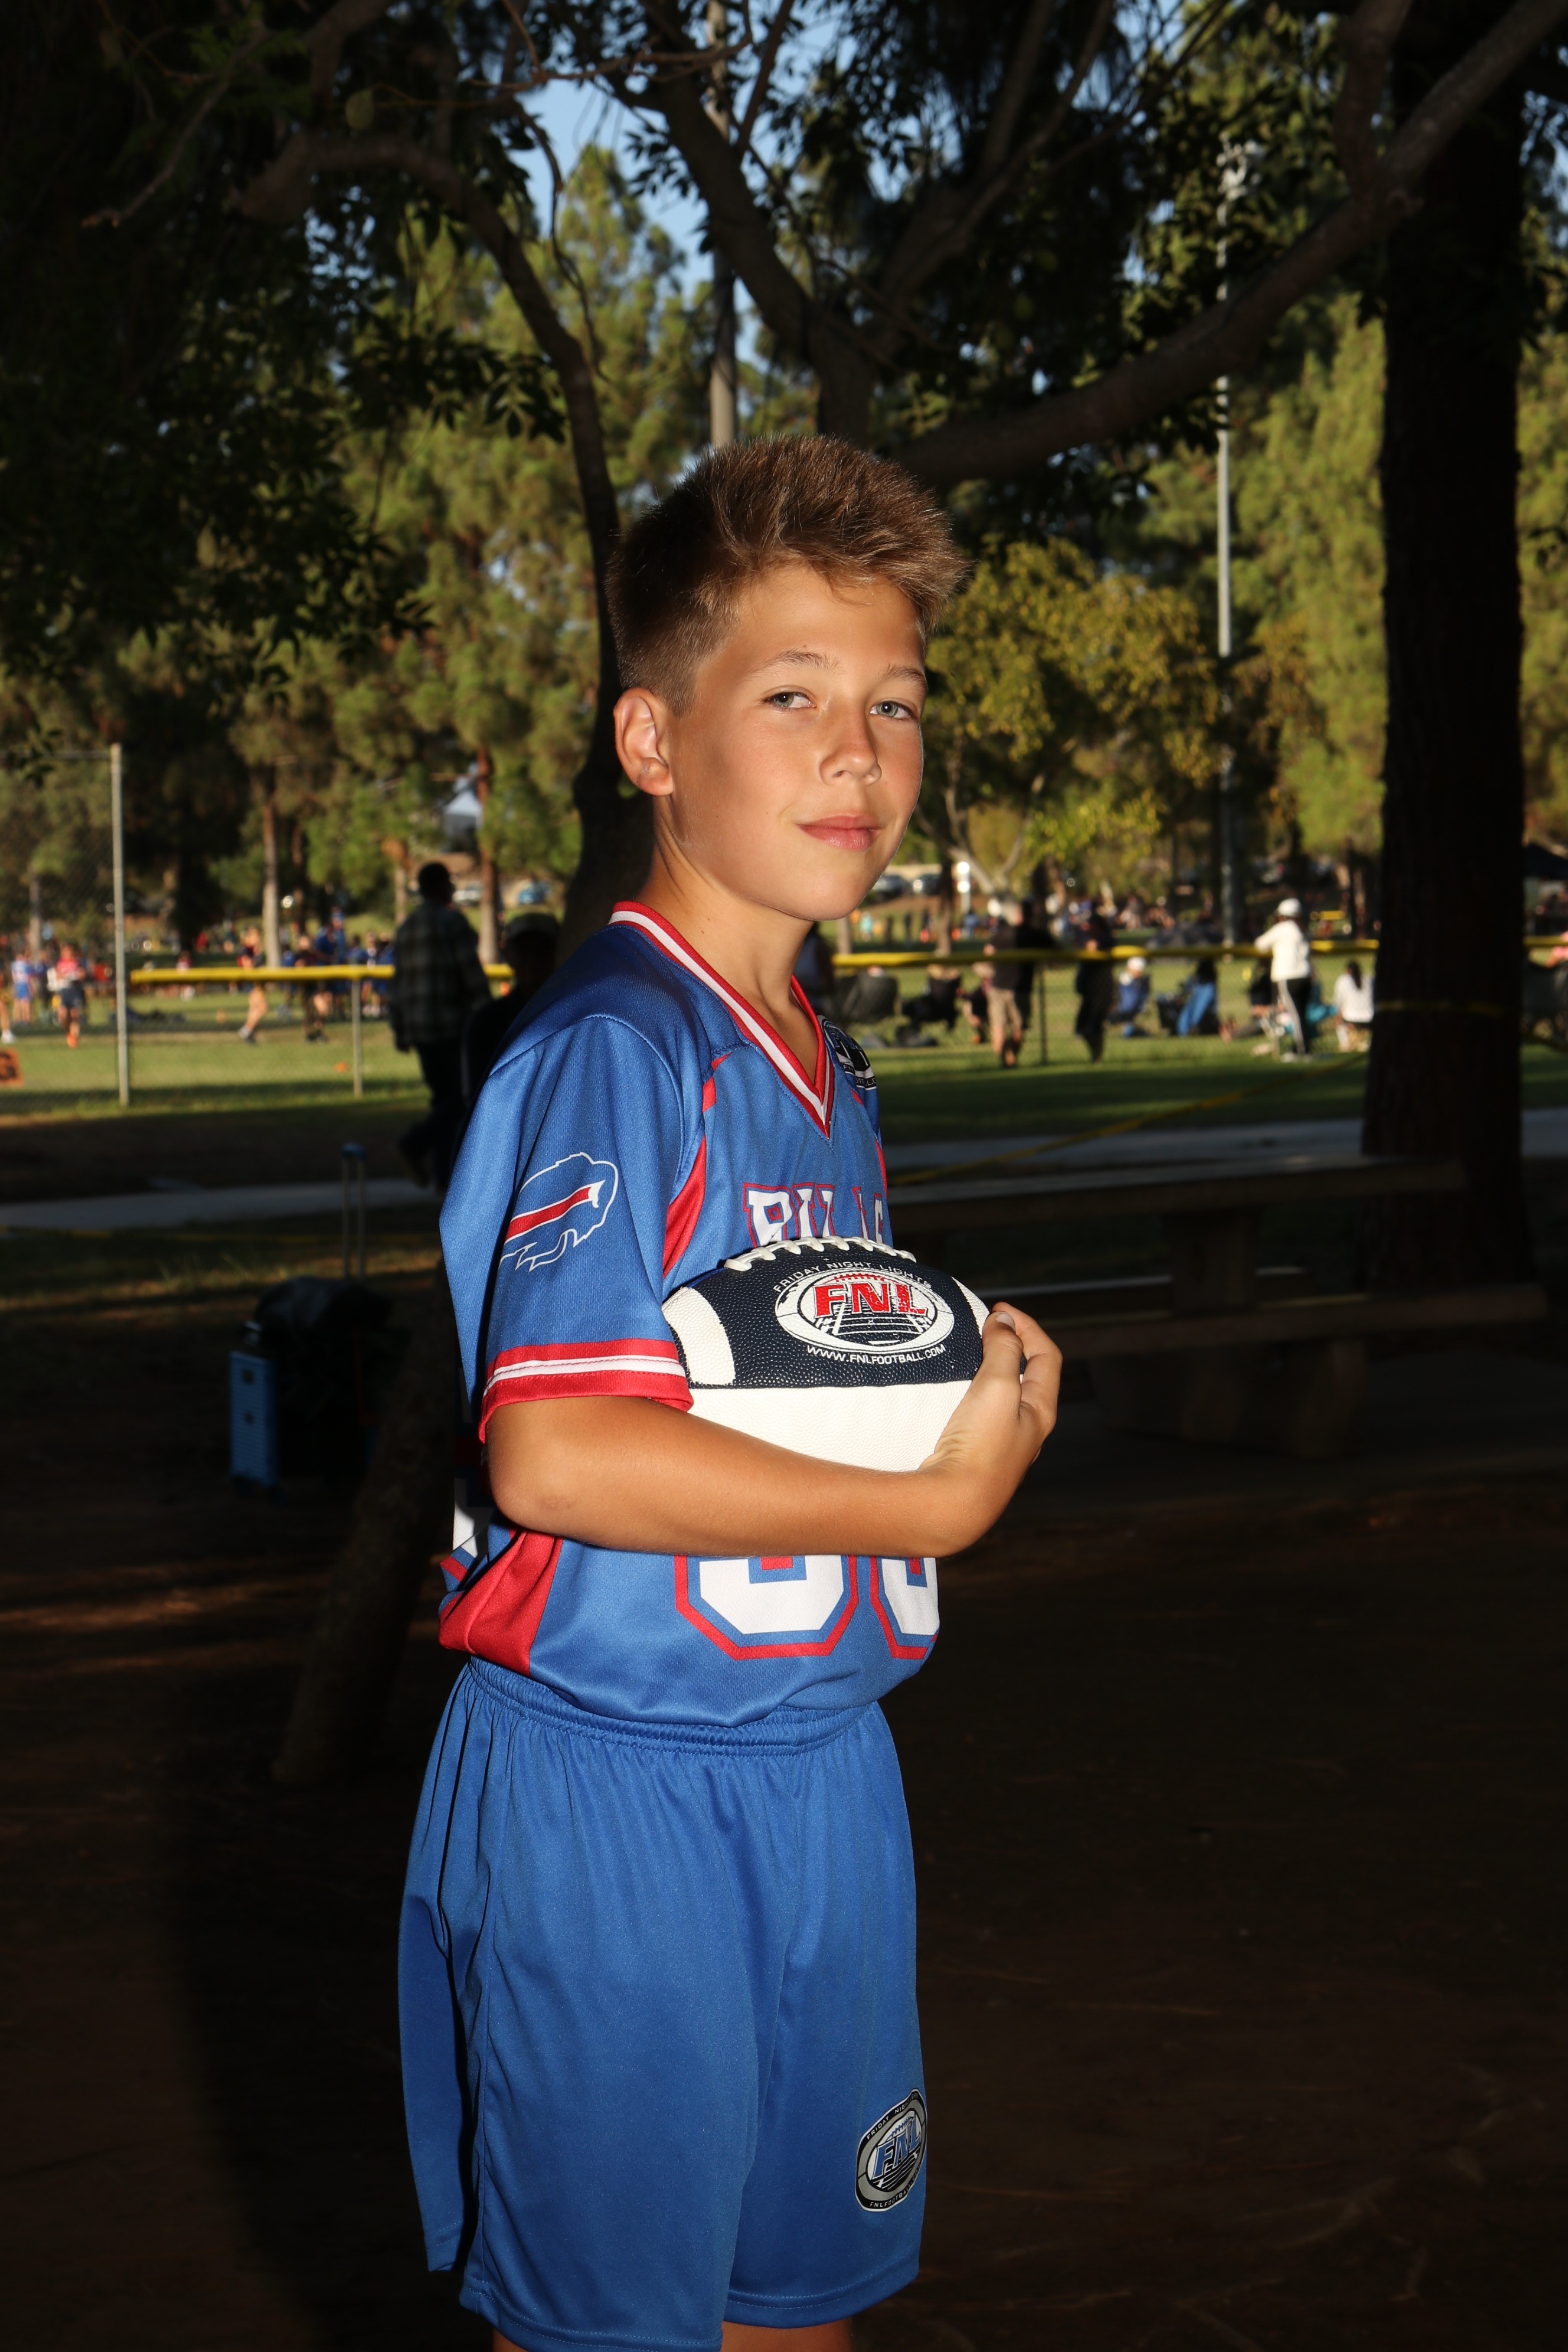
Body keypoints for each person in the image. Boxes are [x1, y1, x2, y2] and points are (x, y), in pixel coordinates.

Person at [400, 437, 1061, 2352]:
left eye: (894, 703)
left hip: (821, 1768)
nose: (858, 752)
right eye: (791, 697)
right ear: (652, 739)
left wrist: (960, 1393)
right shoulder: (617, 1044)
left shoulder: (820, 1066)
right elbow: (553, 1446)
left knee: (798, 2307)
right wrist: (928, 1503)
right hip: (617, 1784)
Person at [388, 861, 492, 1188]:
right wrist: (490, 1015)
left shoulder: (407, 928)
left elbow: (398, 984)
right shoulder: (452, 923)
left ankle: (442, 1177)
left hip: (420, 1028)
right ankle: (416, 1144)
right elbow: (471, 974)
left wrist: (399, 1027)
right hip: (452, 1026)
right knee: (461, 1098)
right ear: (441, 886)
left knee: (442, 1099)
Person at [460, 911, 559, 1105]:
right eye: (523, 951)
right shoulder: (485, 1023)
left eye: (542, 950)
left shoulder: (575, 1016)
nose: (532, 960)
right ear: (508, 954)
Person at [1253, 896, 1314, 1054]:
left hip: (1288, 977)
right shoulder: (1304, 930)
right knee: (1302, 1013)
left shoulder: (1282, 928)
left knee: (1296, 1014)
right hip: (1306, 976)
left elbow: (1260, 944)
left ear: (1283, 915)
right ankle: (1304, 1045)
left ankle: (1302, 1049)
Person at [1073, 910, 1116, 1061]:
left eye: (1091, 924)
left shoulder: (1106, 939)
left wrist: (1087, 943)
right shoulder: (1087, 939)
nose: (1088, 928)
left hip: (1102, 991)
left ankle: (1097, 1057)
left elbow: (1095, 946)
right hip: (1089, 991)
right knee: (1083, 1028)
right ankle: (1096, 1056)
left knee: (1093, 1026)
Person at [1175, 955, 1220, 1037]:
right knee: (1194, 1007)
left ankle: (1190, 1029)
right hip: (1201, 986)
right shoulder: (1202, 986)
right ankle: (1189, 1029)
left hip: (1201, 1017)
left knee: (1198, 1007)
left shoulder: (1207, 988)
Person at [1113, 953, 1150, 1037]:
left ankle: (1131, 1030)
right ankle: (1130, 1030)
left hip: (1134, 1008)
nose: (1140, 973)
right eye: (1138, 970)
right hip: (1123, 1008)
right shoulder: (1125, 980)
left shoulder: (1140, 983)